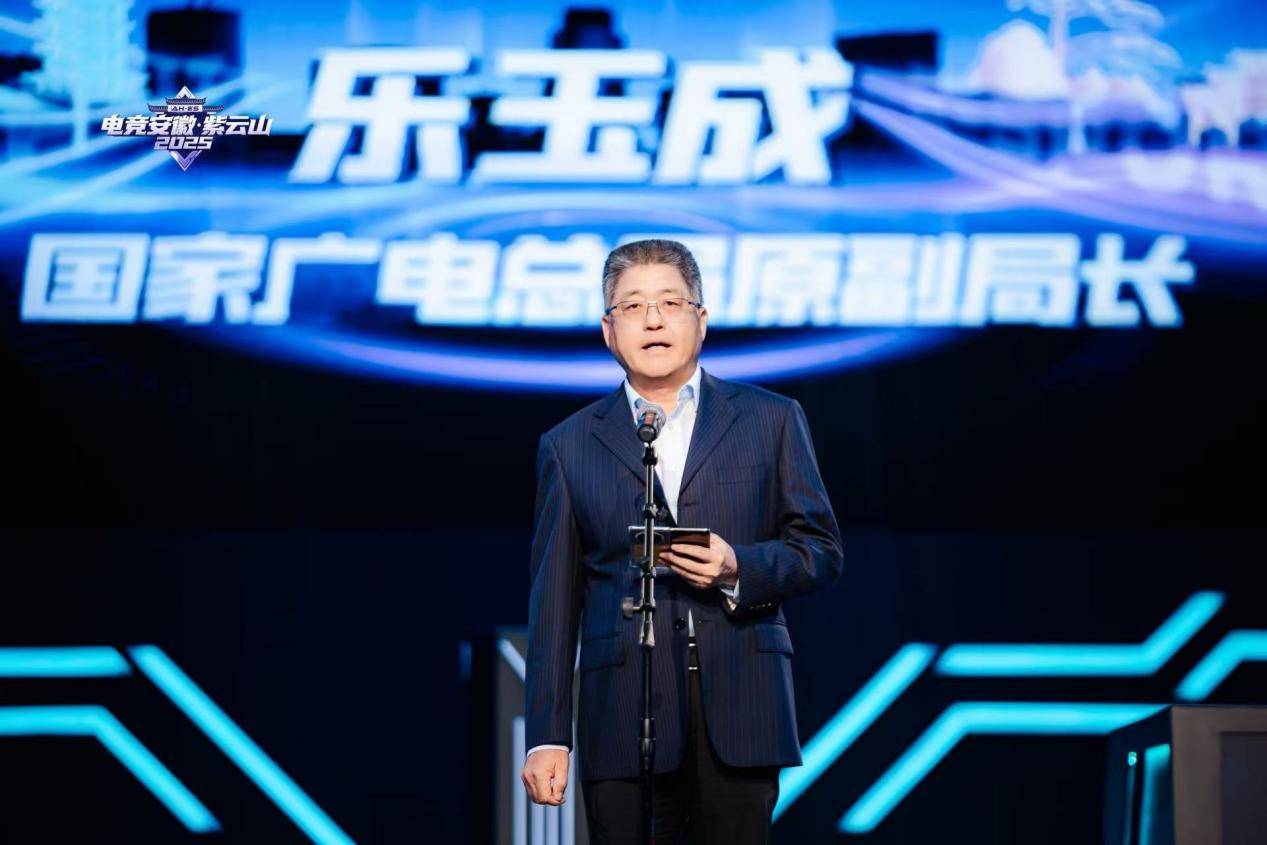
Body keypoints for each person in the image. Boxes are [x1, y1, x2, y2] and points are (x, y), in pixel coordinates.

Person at [521, 238, 843, 844]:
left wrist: (737, 567)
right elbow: (554, 604)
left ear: (701, 319)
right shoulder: (568, 445)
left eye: (670, 302)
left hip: (741, 707)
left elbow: (820, 551)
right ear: (608, 330)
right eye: (633, 306)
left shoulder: (770, 419)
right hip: (620, 714)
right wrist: (546, 735)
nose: (653, 320)